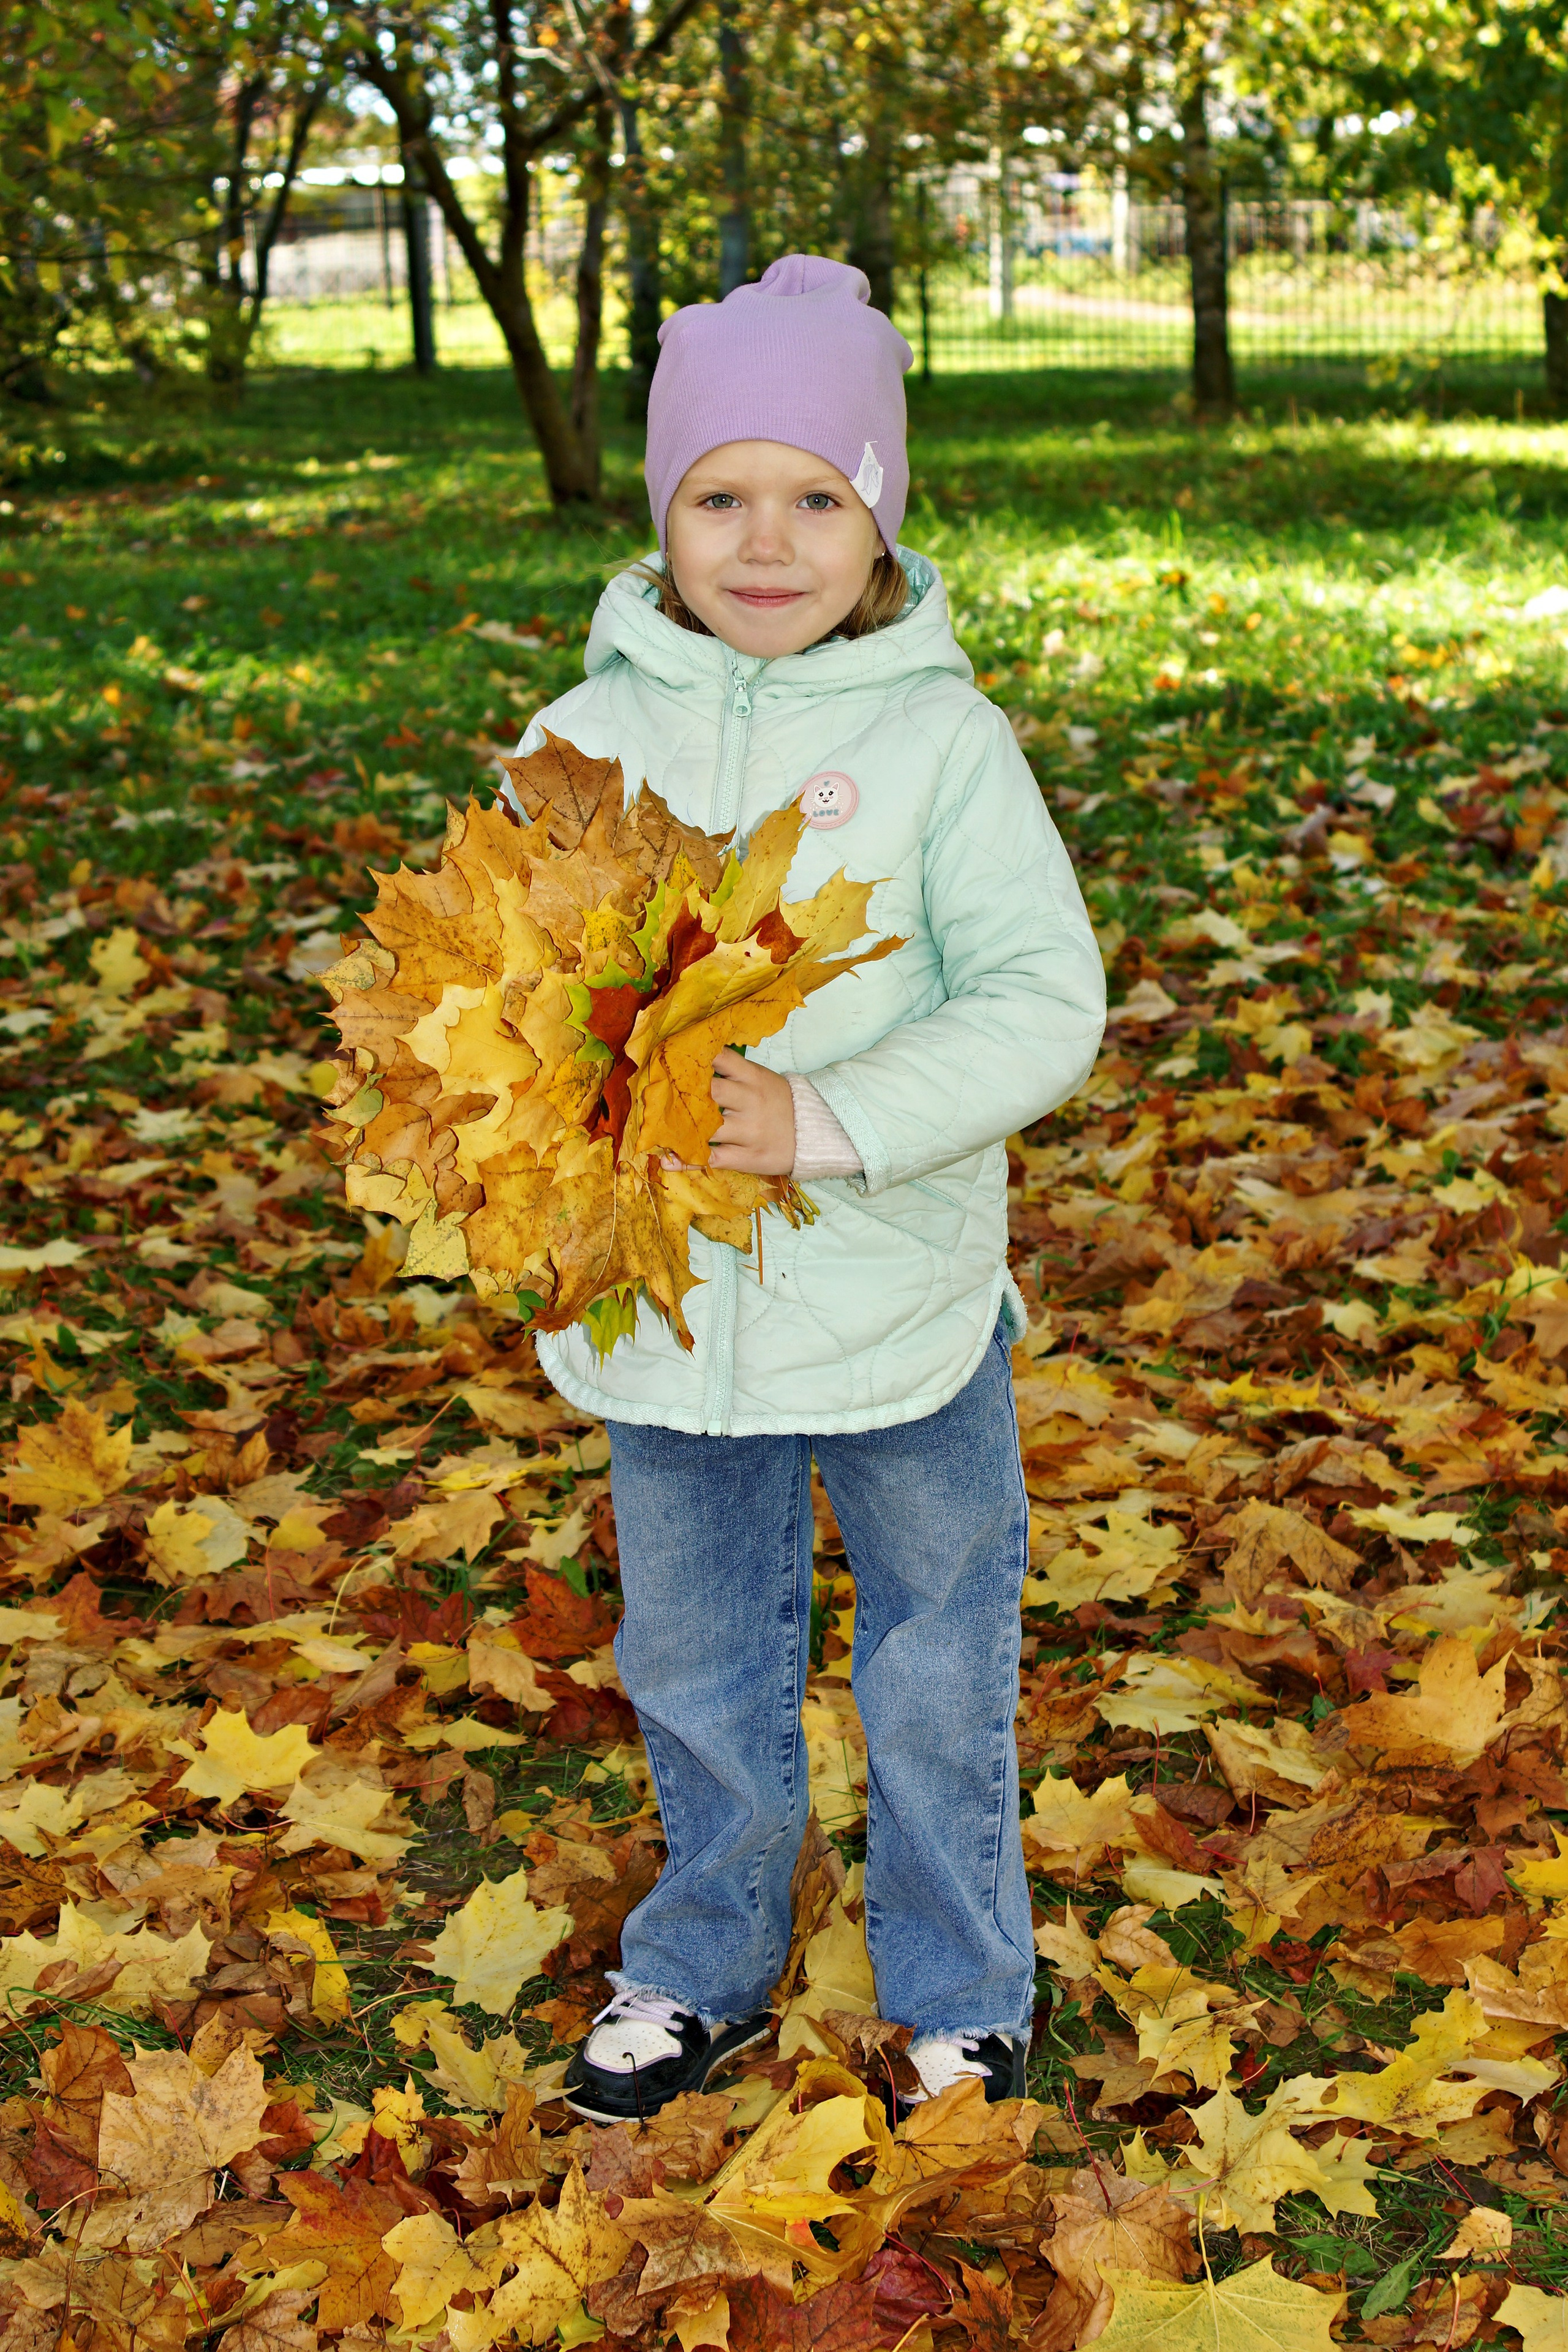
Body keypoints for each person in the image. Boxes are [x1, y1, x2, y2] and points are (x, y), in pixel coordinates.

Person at [505, 254, 1106, 2124]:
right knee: (693, 1660)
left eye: (818, 497)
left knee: (936, 1661)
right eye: (721, 494)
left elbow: (1042, 1001)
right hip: (663, 1317)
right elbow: (505, 1014)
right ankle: (698, 1967)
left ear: (879, 515)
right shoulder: (574, 743)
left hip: (901, 1312)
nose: (768, 542)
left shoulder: (943, 744)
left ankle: (962, 1986)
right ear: (664, 509)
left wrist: (828, 1117)